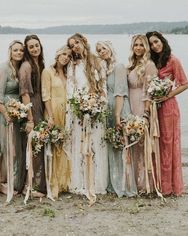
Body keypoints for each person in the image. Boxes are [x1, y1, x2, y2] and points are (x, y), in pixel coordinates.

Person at [65, 33, 108, 203]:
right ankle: (80, 181)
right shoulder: (72, 65)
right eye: (71, 45)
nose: (74, 46)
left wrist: (97, 104)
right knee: (80, 145)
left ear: (83, 42)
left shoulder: (97, 61)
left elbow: (103, 85)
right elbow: (71, 88)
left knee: (95, 145)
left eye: (76, 42)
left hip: (96, 108)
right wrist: (78, 106)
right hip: (79, 110)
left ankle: (96, 182)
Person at [146, 31, 188, 196]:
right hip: (154, 107)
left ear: (162, 41)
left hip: (168, 107)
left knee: (169, 145)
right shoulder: (152, 62)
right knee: (157, 145)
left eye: (156, 42)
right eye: (151, 44)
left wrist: (167, 95)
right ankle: (158, 184)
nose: (154, 46)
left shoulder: (173, 60)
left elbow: (185, 83)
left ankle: (170, 187)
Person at [96, 40, 137, 197]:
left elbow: (120, 92)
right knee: (113, 145)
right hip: (109, 108)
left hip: (119, 108)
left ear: (111, 48)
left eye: (104, 48)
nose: (102, 51)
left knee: (123, 146)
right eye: (99, 50)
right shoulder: (105, 69)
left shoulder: (119, 67)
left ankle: (125, 185)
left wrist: (118, 115)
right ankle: (114, 182)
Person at [0, 40, 25, 202]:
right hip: (2, 112)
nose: (19, 53)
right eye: (16, 50)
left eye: (21, 50)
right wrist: (5, 113)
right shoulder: (3, 69)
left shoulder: (20, 68)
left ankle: (14, 180)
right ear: (10, 52)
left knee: (15, 147)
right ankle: (3, 181)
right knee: (5, 147)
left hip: (16, 113)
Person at [127, 34, 161, 195]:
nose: (138, 48)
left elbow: (149, 92)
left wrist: (146, 114)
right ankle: (135, 182)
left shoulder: (149, 65)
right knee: (134, 146)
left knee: (143, 146)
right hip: (131, 107)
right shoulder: (132, 64)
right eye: (136, 45)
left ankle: (146, 184)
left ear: (146, 47)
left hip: (141, 106)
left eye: (141, 45)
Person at [41, 45, 72, 200]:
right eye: (64, 54)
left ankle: (64, 182)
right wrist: (50, 116)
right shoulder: (48, 71)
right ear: (58, 53)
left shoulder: (68, 73)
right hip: (53, 110)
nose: (66, 57)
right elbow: (45, 95)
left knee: (65, 145)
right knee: (53, 147)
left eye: (69, 56)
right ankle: (53, 184)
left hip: (67, 111)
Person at [19, 35, 46, 197]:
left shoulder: (39, 64)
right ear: (27, 50)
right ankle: (29, 186)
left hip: (40, 106)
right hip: (32, 108)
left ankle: (36, 183)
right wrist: (30, 119)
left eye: (37, 45)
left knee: (38, 145)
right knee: (32, 146)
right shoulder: (26, 66)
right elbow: (24, 94)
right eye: (31, 47)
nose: (35, 49)